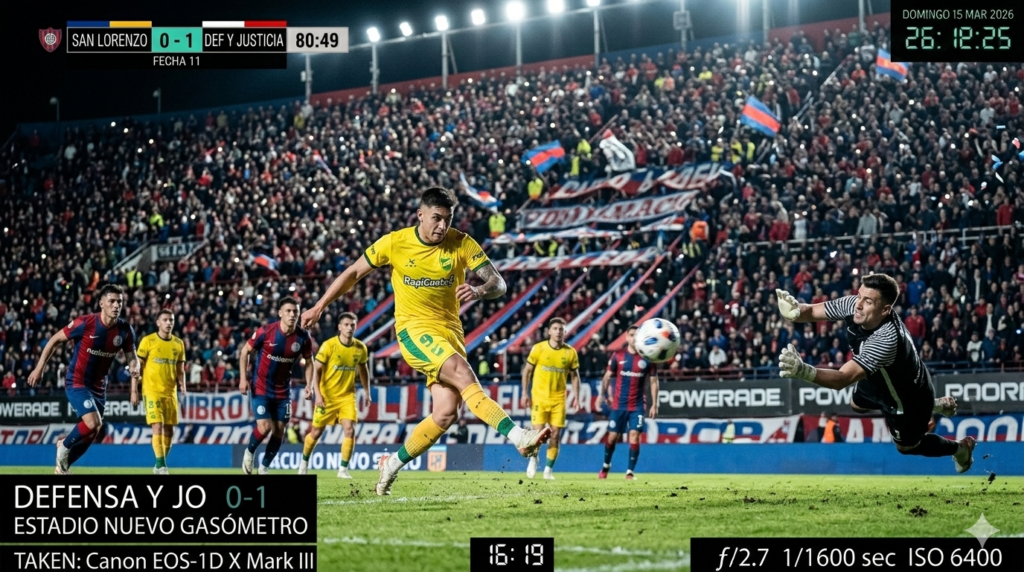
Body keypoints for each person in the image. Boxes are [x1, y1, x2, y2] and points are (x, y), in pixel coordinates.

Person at [301, 187, 550, 495]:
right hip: (414, 331)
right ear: (420, 215)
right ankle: (519, 436)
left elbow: (498, 282)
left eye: (448, 219)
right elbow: (353, 273)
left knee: (446, 413)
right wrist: (320, 306)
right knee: (463, 373)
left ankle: (391, 463)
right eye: (436, 218)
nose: (442, 226)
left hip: (451, 334)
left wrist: (479, 290)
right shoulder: (395, 242)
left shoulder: (461, 242)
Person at [775, 274, 975, 473]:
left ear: (885, 309)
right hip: (879, 378)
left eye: (868, 301)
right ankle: (935, 404)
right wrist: (795, 311)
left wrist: (803, 371)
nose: (859, 304)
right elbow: (811, 311)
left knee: (906, 447)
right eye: (859, 296)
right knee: (856, 404)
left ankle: (960, 448)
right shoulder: (854, 305)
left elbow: (842, 379)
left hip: (907, 398)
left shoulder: (886, 339)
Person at [28, 284, 139, 474]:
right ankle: (64, 444)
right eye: (112, 301)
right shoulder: (86, 323)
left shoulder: (125, 330)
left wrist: (134, 380)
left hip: (99, 387)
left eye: (119, 302)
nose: (116, 305)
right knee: (93, 423)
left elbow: (132, 359)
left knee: (93, 432)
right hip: (77, 381)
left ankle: (63, 467)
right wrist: (39, 368)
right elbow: (54, 339)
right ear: (101, 303)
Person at [239, 296, 314, 475]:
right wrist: (243, 378)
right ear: (280, 313)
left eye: (295, 311)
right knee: (265, 427)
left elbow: (309, 362)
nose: (292, 315)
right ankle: (249, 451)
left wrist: (309, 385)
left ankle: (264, 467)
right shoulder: (266, 332)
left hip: (283, 391)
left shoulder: (303, 337)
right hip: (261, 387)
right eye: (288, 311)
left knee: (279, 431)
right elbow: (245, 351)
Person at [299, 312, 371, 478]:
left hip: (347, 396)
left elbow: (363, 370)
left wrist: (367, 391)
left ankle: (343, 470)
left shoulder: (360, 348)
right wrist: (317, 394)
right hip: (327, 397)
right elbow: (316, 370)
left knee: (349, 430)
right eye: (346, 325)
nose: (349, 328)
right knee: (316, 433)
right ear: (339, 327)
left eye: (352, 325)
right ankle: (303, 465)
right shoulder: (329, 346)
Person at [520, 318, 581, 480]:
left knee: (555, 436)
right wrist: (524, 393)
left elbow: (575, 376)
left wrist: (577, 397)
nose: (558, 331)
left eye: (561, 329)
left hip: (558, 400)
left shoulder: (570, 352)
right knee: (537, 435)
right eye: (555, 328)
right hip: (539, 399)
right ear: (549, 331)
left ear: (565, 332)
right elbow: (527, 371)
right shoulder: (538, 348)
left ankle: (548, 470)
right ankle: (534, 459)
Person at [595, 325, 659, 480]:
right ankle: (606, 466)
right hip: (618, 405)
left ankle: (630, 471)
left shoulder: (648, 357)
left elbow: (653, 381)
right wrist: (601, 396)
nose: (634, 338)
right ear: (626, 337)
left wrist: (654, 404)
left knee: (634, 436)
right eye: (631, 335)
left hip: (637, 406)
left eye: (637, 335)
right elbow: (607, 377)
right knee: (612, 437)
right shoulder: (618, 355)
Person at [131, 309, 187, 474]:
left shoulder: (179, 343)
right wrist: (134, 390)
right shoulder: (148, 341)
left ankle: (159, 464)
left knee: (169, 430)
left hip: (170, 393)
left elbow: (180, 370)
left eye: (171, 320)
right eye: (165, 320)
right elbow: (136, 368)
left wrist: (182, 385)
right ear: (158, 322)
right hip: (152, 391)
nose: (168, 323)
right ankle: (162, 466)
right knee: (158, 425)